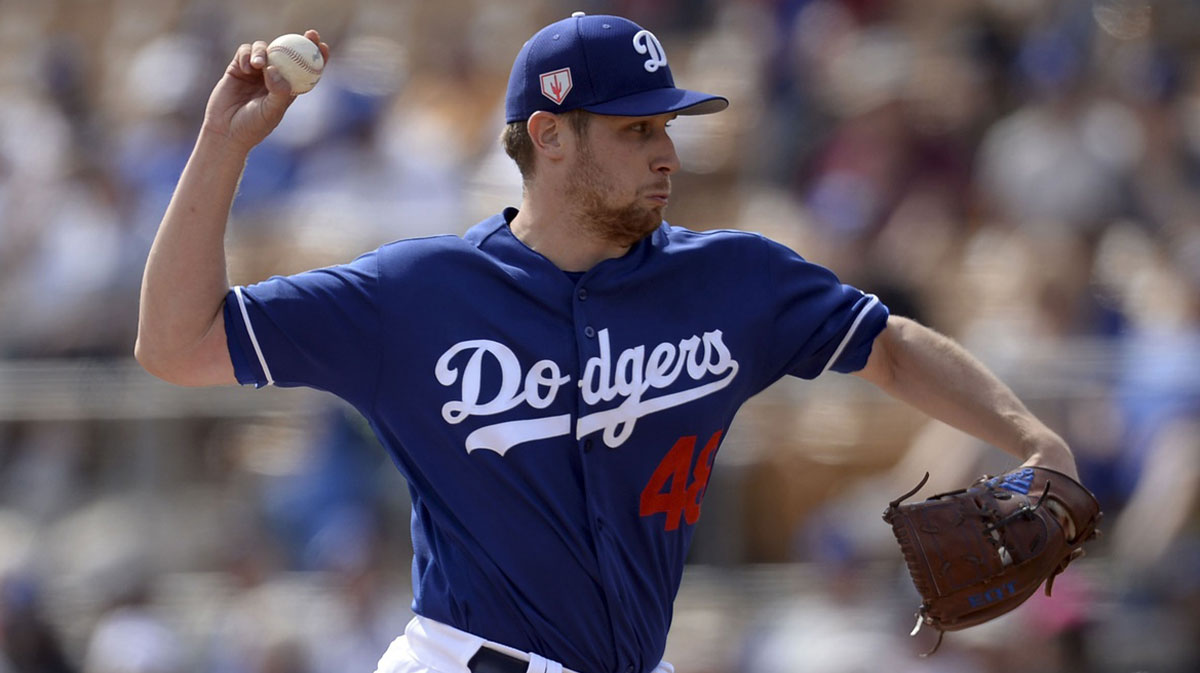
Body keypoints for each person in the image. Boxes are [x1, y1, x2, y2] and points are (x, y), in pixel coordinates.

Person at [136, 13, 1083, 673]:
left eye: (667, 124)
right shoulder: (415, 295)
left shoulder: (734, 278)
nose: (668, 150)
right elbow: (176, 345)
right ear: (549, 135)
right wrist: (224, 145)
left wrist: (1034, 441)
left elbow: (890, 344)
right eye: (637, 129)